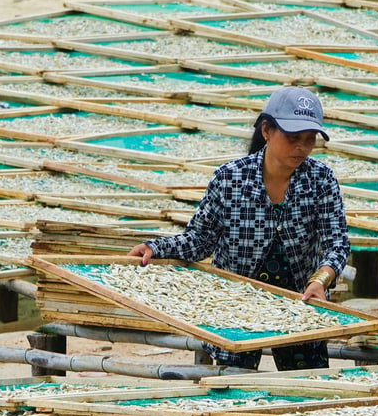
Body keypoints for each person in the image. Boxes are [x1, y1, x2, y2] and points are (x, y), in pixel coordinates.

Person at [128, 86, 350, 370]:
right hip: (235, 305)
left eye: (309, 140)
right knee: (233, 385)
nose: (301, 148)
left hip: (300, 304)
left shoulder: (321, 180)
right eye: (293, 138)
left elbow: (337, 244)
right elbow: (199, 241)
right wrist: (155, 247)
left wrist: (320, 281)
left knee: (306, 385)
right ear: (267, 131)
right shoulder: (230, 178)